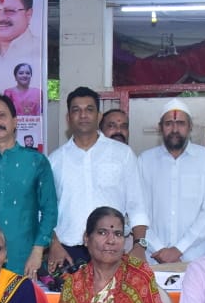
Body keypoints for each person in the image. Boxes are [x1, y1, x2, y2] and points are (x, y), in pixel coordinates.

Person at [48, 87, 149, 273]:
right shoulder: (54, 161)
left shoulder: (123, 154)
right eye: (76, 110)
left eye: (89, 109)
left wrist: (139, 246)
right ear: (68, 118)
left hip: (113, 249)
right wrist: (54, 244)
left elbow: (137, 206)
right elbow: (45, 212)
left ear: (99, 116)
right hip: (68, 253)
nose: (83, 115)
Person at [0, 94, 57, 278]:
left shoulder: (36, 161)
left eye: (2, 116)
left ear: (15, 121)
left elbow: (50, 211)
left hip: (26, 258)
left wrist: (38, 250)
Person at [137, 98, 205, 263]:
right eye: (168, 123)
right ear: (160, 127)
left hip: (195, 256)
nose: (175, 129)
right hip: (155, 256)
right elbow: (139, 211)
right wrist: (159, 249)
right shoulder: (145, 161)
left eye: (181, 123)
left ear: (190, 127)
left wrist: (179, 248)